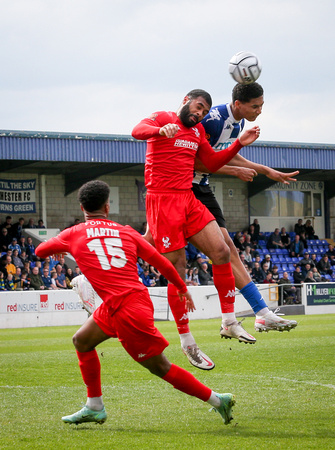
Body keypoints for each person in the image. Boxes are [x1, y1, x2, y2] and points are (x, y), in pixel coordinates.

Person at [35, 180, 236, 427]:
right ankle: (94, 406)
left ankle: (218, 400)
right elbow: (162, 263)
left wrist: (59, 248)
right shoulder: (126, 232)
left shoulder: (72, 234)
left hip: (126, 310)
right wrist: (183, 288)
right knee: (82, 341)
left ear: (81, 208)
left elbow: (40, 251)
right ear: (107, 208)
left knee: (160, 367)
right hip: (126, 303)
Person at [132, 88, 264, 369]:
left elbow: (213, 162)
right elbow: (137, 130)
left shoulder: (196, 133)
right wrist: (159, 131)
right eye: (198, 107)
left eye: (204, 111)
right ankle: (187, 341)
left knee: (221, 251)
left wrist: (238, 143)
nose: (200, 113)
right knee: (176, 270)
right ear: (185, 101)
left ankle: (228, 321)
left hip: (188, 199)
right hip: (162, 200)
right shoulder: (163, 117)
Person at [190, 82, 297, 339]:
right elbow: (195, 159)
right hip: (183, 188)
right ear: (238, 104)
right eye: (255, 106)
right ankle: (249, 315)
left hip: (202, 188)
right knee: (160, 249)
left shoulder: (236, 125)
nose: (259, 111)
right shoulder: (213, 120)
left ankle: (260, 313)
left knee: (228, 250)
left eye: (261, 106)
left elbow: (226, 154)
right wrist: (235, 171)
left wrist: (265, 170)